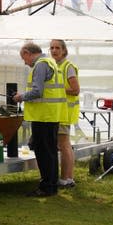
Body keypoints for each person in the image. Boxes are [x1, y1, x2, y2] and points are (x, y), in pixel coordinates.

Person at [12, 41, 66, 197]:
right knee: (50, 152)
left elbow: (37, 91)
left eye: (24, 58)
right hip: (51, 115)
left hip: (43, 116)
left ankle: (46, 187)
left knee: (44, 153)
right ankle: (51, 185)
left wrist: (20, 97)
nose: (25, 62)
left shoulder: (41, 65)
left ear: (28, 53)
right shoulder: (51, 62)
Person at [49, 39, 80, 188]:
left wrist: (56, 90)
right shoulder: (55, 66)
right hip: (58, 112)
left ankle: (66, 178)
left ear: (64, 50)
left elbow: (75, 90)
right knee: (63, 145)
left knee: (64, 145)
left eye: (57, 48)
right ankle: (68, 178)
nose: (54, 51)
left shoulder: (68, 67)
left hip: (64, 113)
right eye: (52, 48)